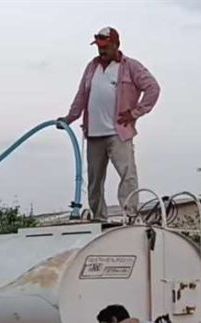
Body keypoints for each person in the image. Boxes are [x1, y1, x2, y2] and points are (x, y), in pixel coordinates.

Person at [58, 27, 160, 221]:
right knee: (94, 180)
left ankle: (130, 215)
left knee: (127, 174)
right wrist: (69, 118)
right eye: (99, 47)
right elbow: (81, 96)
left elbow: (153, 88)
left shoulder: (130, 66)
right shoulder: (92, 67)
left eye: (105, 46)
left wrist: (135, 113)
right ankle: (98, 217)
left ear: (116, 45)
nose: (102, 50)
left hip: (118, 132)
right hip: (94, 133)